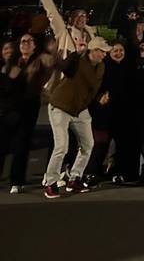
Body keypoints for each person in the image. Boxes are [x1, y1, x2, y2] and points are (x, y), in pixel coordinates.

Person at [44, 35, 110, 199]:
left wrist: (98, 97)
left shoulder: (101, 66)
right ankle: (50, 182)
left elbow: (91, 88)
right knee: (62, 147)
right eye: (102, 52)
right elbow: (64, 66)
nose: (104, 55)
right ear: (93, 51)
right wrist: (70, 53)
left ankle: (75, 178)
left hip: (80, 109)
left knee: (88, 144)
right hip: (61, 106)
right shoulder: (78, 61)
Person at [0, 34, 53, 192]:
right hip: (7, 109)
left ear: (35, 45)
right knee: (2, 144)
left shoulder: (39, 61)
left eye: (29, 41)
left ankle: (17, 180)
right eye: (22, 41)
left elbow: (45, 76)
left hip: (27, 107)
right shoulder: (11, 62)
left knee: (21, 144)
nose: (25, 43)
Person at [85, 40, 133, 185]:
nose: (118, 54)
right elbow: (94, 88)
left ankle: (119, 173)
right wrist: (100, 97)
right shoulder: (103, 68)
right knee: (100, 145)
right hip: (103, 114)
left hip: (122, 115)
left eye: (121, 51)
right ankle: (91, 173)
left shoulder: (128, 68)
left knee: (122, 146)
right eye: (115, 51)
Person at [31, 0, 95, 58]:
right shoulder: (64, 33)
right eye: (76, 16)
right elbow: (53, 15)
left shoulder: (92, 34)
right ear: (70, 19)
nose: (80, 18)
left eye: (83, 15)